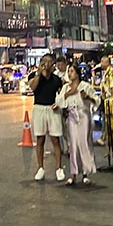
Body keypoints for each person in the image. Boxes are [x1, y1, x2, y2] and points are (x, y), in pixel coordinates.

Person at [57, 63, 98, 185]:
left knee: (84, 143)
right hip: (72, 117)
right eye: (69, 71)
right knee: (73, 145)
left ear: (78, 73)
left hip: (84, 116)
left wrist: (87, 98)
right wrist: (68, 94)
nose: (70, 74)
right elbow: (59, 101)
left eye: (72, 71)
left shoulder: (85, 86)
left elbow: (96, 100)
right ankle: (73, 174)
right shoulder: (66, 88)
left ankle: (85, 173)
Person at [28, 54, 65, 182]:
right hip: (39, 108)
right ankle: (40, 168)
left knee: (55, 139)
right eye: (45, 61)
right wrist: (39, 73)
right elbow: (32, 87)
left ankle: (59, 168)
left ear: (53, 64)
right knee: (40, 139)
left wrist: (59, 104)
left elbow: (62, 94)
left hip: (52, 108)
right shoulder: (34, 76)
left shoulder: (56, 79)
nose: (47, 64)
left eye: (50, 62)